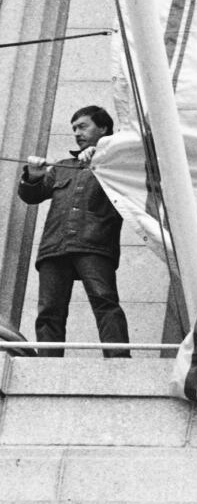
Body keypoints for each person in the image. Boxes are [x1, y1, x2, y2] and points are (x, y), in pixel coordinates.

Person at [17, 105, 129, 358]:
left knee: (104, 301)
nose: (77, 133)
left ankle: (119, 360)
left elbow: (138, 156)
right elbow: (31, 196)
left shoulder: (117, 162)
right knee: (49, 310)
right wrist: (33, 176)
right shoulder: (62, 166)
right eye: (74, 128)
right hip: (54, 246)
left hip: (95, 244)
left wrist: (103, 153)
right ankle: (47, 366)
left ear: (103, 128)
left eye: (83, 126)